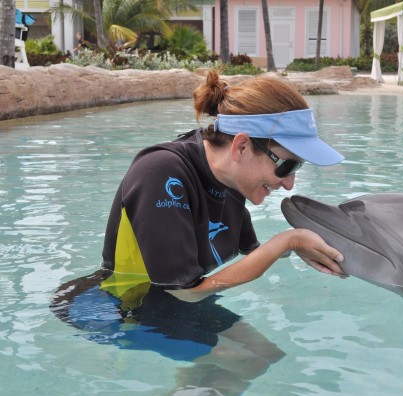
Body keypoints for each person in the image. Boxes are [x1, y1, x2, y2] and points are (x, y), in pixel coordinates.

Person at [100, 69, 345, 302]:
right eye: (286, 166)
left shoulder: (230, 180)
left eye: (297, 168)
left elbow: (254, 251)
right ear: (241, 146)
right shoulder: (160, 172)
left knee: (266, 349)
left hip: (177, 309)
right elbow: (183, 293)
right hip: (126, 309)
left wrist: (307, 245)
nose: (290, 184)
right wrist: (289, 241)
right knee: (256, 350)